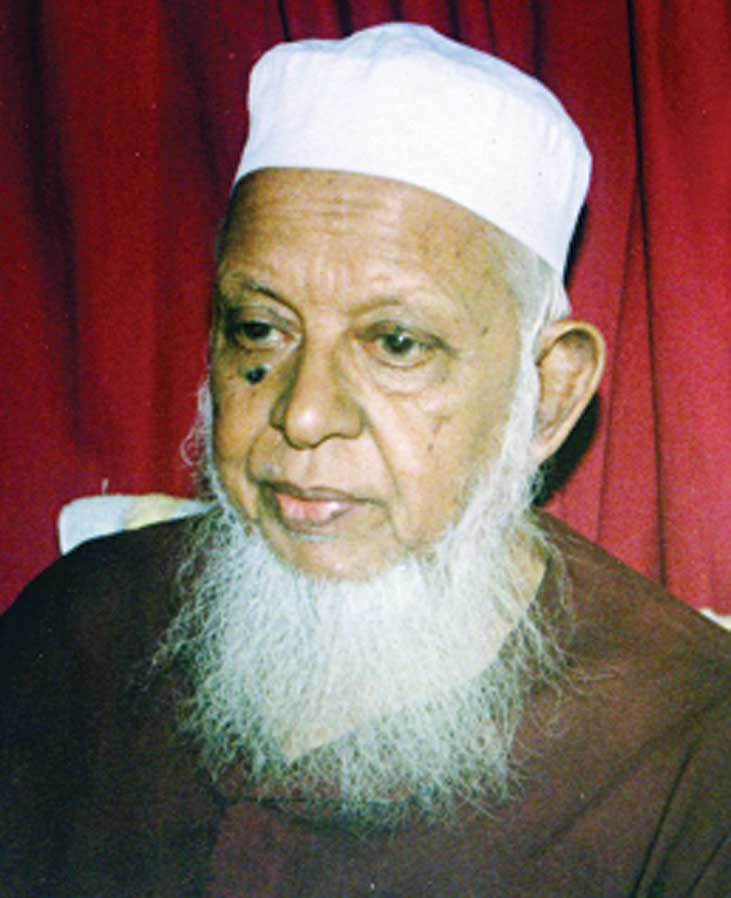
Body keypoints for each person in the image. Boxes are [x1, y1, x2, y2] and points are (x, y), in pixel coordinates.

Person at [2, 23, 730, 897]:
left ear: (549, 391)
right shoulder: (79, 621)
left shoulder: (691, 751)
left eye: (395, 343)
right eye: (260, 329)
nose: (303, 414)